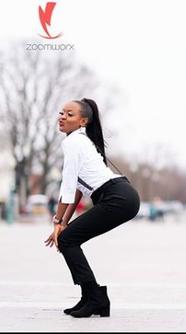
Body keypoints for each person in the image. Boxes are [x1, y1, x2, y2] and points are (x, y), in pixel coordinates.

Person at [44, 98, 140, 318]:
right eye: (61, 113)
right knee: (68, 238)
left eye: (69, 114)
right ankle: (91, 297)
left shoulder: (73, 143)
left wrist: (58, 223)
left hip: (117, 197)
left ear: (83, 121)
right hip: (121, 196)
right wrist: (64, 223)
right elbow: (77, 190)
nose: (62, 117)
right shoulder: (80, 142)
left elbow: (67, 186)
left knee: (67, 240)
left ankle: (96, 298)